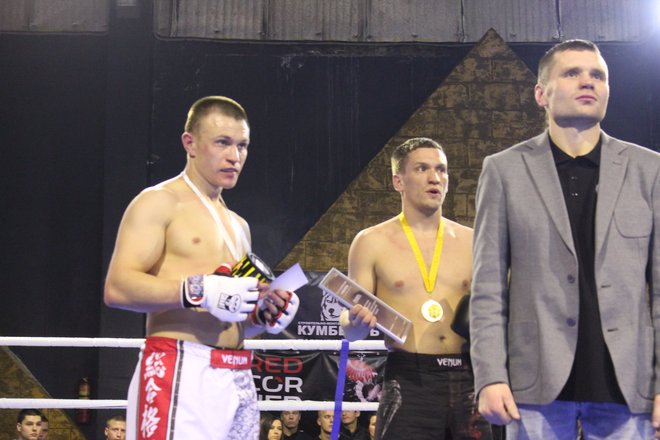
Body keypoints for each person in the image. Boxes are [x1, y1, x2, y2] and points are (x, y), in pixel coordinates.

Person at [470, 39, 660, 439]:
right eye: (572, 73)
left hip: (629, 386)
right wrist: (490, 375)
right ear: (541, 93)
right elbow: (487, 288)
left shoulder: (649, 170)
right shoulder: (504, 171)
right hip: (533, 382)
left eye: (598, 75)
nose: (588, 81)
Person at [104, 96, 300, 440]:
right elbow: (117, 288)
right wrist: (197, 289)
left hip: (237, 373)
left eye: (242, 145)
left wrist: (262, 315)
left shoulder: (239, 225)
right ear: (190, 143)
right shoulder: (159, 201)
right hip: (181, 368)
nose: (234, 156)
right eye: (222, 142)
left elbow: (227, 316)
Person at [340, 137, 492, 439]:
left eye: (441, 169)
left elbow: (495, 313)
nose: (435, 177)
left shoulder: (473, 240)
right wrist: (355, 322)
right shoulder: (371, 242)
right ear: (398, 181)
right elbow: (349, 325)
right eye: (422, 168)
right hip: (409, 379)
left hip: (468, 375)